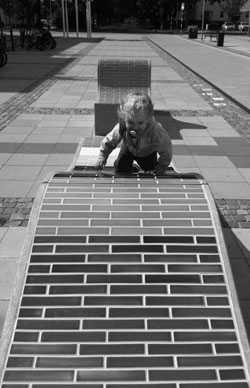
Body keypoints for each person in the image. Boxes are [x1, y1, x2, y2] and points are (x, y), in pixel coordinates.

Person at [95, 92, 172, 174]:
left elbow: (166, 149)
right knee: (120, 167)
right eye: (130, 122)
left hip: (148, 153)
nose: (135, 127)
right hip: (128, 149)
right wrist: (102, 157)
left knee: (151, 169)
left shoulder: (155, 130)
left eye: (140, 123)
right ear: (123, 117)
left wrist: (162, 166)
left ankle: (145, 167)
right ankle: (132, 168)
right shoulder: (122, 126)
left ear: (148, 119)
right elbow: (110, 141)